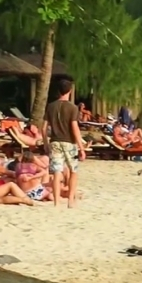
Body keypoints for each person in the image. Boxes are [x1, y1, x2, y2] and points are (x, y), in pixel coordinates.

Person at [42, 77, 85, 208]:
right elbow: (74, 128)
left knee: (56, 172)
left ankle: (56, 202)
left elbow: (43, 128)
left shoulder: (51, 106)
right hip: (69, 143)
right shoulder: (72, 108)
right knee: (73, 171)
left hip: (54, 142)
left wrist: (45, 143)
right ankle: (70, 200)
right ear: (70, 91)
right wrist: (82, 147)